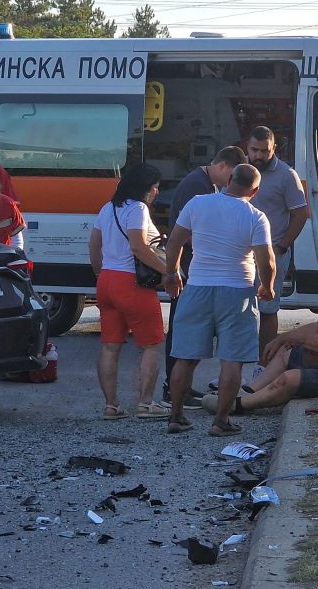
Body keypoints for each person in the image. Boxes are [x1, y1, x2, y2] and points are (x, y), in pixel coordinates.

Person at [162, 163, 274, 436]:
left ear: (230, 179)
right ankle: (220, 422)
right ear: (255, 190)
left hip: (197, 286)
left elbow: (174, 242)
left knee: (184, 357)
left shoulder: (198, 203)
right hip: (237, 291)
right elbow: (266, 260)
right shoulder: (256, 217)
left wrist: (172, 273)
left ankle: (175, 417)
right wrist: (267, 286)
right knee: (231, 360)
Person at [207, 251, 318, 416]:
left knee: (290, 378)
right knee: (285, 353)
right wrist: (284, 338)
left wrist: (303, 342)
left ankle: (237, 405)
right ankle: (249, 390)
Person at [162, 146, 248, 409]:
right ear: (222, 166)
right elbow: (184, 233)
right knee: (184, 338)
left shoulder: (205, 184)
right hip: (191, 269)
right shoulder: (197, 187)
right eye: (232, 176)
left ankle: (180, 391)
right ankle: (174, 392)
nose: (232, 183)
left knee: (186, 337)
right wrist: (174, 270)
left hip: (192, 268)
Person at [87, 163, 169, 420]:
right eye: (155, 187)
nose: (156, 192)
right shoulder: (138, 209)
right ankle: (145, 403)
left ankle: (112, 405)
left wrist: (101, 272)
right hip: (130, 282)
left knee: (110, 346)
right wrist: (168, 271)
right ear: (145, 188)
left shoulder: (107, 208)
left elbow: (94, 245)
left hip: (107, 280)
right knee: (152, 344)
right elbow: (139, 247)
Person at [247, 126, 310, 359]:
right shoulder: (239, 170)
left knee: (267, 309)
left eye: (265, 151)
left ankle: (263, 366)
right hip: (241, 255)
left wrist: (282, 246)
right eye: (255, 150)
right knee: (240, 312)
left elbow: (301, 214)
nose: (259, 156)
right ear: (247, 147)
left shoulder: (286, 174)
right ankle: (236, 367)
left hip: (272, 253)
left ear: (274, 148)